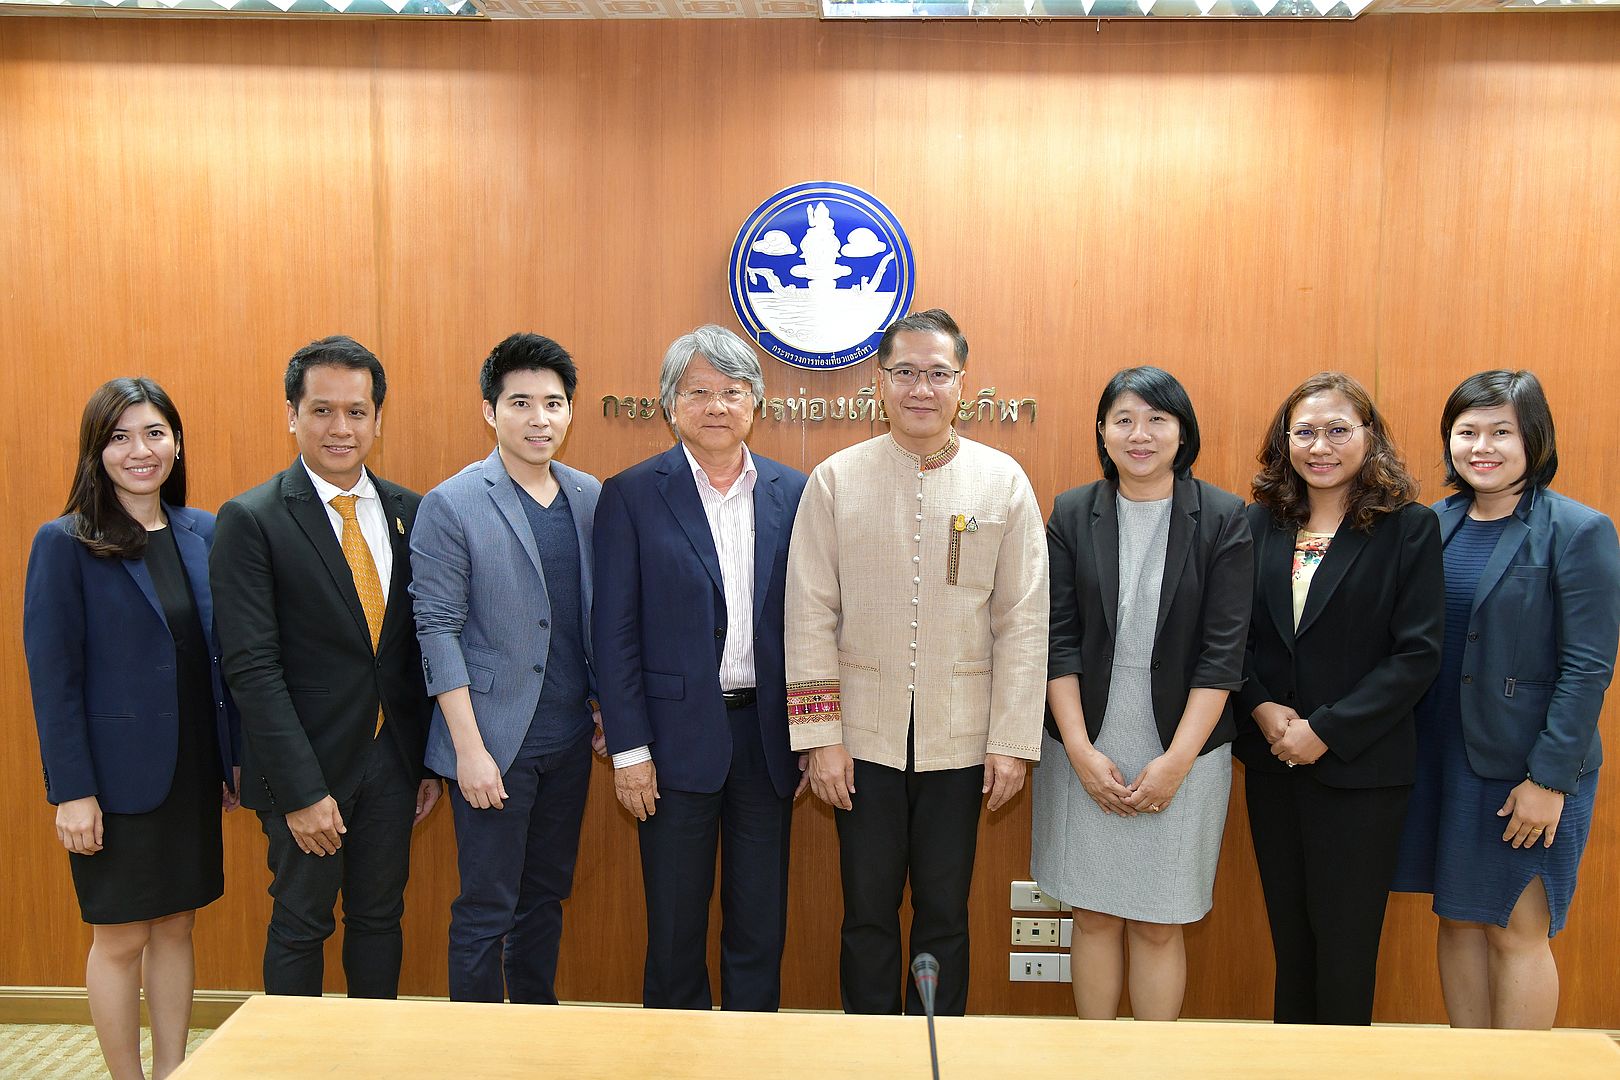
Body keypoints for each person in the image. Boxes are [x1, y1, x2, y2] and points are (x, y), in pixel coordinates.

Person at [786, 308, 1049, 1015]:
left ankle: (937, 1045)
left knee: (945, 914)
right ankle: (870, 1049)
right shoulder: (836, 480)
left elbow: (1023, 622)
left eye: (937, 373)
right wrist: (820, 737)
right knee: (866, 914)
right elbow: (809, 615)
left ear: (962, 382)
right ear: (880, 383)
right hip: (859, 741)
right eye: (905, 372)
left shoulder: (1002, 482)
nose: (920, 389)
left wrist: (1011, 742)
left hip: (961, 741)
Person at [211, 335, 439, 999]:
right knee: (300, 924)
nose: (341, 427)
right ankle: (293, 1055)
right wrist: (301, 792)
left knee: (380, 919)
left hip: (392, 762)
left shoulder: (411, 512)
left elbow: (417, 648)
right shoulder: (251, 519)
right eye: (322, 410)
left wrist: (426, 762)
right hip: (303, 767)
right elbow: (251, 668)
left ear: (377, 418)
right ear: (292, 415)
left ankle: (373, 1051)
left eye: (357, 411)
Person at [23, 377, 239, 1080]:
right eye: (119, 437)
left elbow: (218, 660)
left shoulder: (203, 531)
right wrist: (71, 791)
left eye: (154, 433)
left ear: (176, 442)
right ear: (97, 449)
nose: (139, 451)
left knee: (177, 925)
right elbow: (54, 681)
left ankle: (174, 1070)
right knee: (119, 938)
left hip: (191, 770)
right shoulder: (64, 543)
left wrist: (230, 760)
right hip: (112, 782)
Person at [1392, 370, 1620, 1029]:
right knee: (1457, 919)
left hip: (1525, 768)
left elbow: (1588, 668)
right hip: (1439, 758)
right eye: (1467, 432)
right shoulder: (1431, 524)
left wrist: (1548, 781)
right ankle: (1472, 1066)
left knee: (1515, 930)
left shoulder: (1577, 530)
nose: (1481, 447)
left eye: (1501, 432)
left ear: (1534, 440)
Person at [593, 325, 809, 1011]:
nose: (717, 405)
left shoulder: (794, 492)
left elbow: (815, 625)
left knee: (759, 924)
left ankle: (750, 1048)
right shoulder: (631, 494)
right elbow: (613, 634)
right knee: (675, 929)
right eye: (698, 392)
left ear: (756, 402)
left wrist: (812, 733)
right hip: (670, 740)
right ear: (669, 404)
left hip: (767, 739)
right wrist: (629, 751)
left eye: (733, 390)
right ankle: (674, 1053)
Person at [1031, 367, 1252, 1021]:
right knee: (1093, 915)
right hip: (1086, 740)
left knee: (1160, 920)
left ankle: (1152, 1063)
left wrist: (1177, 762)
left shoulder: (1224, 517)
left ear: (1183, 432)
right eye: (1124, 419)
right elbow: (1057, 639)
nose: (1140, 434)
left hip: (1185, 747)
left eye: (1157, 419)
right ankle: (1094, 1061)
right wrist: (1078, 750)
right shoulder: (1073, 512)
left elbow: (1223, 655)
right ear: (1102, 431)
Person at [1235, 371, 1444, 1025]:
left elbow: (1416, 655)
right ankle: (1292, 1064)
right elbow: (1230, 637)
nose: (1319, 446)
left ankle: (1343, 1065)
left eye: (1337, 430)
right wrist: (1261, 707)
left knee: (1347, 950)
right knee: (1291, 944)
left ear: (1369, 436)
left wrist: (1325, 730)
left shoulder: (1409, 529)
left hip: (1362, 771)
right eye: (1304, 432)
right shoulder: (1257, 523)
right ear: (1285, 441)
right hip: (1273, 763)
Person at [410, 332, 602, 1004]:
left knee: (544, 898)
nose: (539, 418)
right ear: (490, 411)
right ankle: (477, 1046)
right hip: (492, 743)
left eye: (553, 403)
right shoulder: (452, 503)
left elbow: (594, 619)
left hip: (568, 741)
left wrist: (602, 707)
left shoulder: (588, 496)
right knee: (486, 907)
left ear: (569, 411)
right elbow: (437, 630)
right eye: (520, 403)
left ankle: (533, 1030)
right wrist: (468, 752)